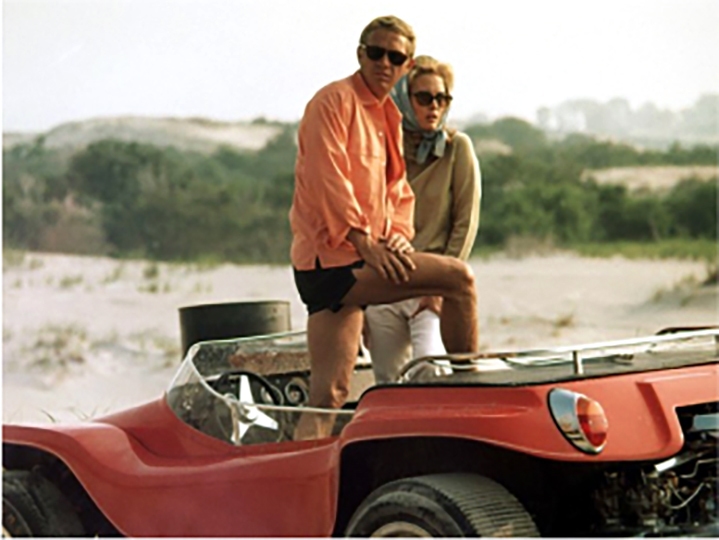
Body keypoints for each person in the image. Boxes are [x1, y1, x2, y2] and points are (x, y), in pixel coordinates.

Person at [289, 15, 479, 440]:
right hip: (333, 263)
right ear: (361, 54)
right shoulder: (332, 102)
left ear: (406, 66)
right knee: (459, 280)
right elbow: (327, 179)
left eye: (396, 57)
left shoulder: (388, 116)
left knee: (329, 393)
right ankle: (475, 395)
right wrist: (365, 242)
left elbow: (396, 191)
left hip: (354, 264)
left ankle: (298, 484)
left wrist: (396, 233)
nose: (384, 63)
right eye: (376, 53)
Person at [364, 56, 481, 384]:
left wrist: (442, 285)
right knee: (387, 380)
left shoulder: (458, 148)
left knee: (431, 372)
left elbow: (465, 224)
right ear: (403, 98)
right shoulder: (382, 151)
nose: (435, 107)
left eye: (442, 99)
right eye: (424, 98)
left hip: (432, 279)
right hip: (385, 282)